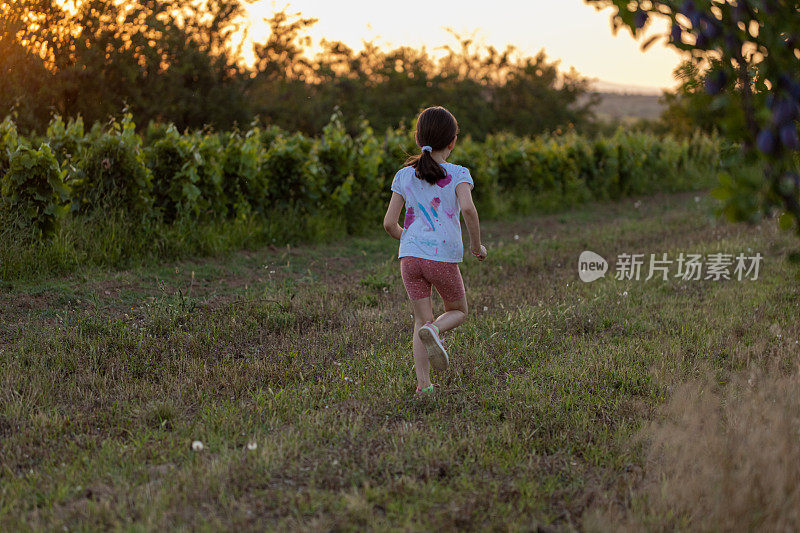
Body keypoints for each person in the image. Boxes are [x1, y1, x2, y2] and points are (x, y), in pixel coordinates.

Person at [383, 106, 487, 395]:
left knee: (420, 320)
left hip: (410, 259)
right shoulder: (459, 173)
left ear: (418, 139)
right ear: (452, 141)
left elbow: (390, 224)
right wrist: (476, 246)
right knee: (458, 310)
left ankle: (423, 387)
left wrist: (412, 240)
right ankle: (437, 331)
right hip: (440, 259)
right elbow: (467, 208)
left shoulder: (403, 176)